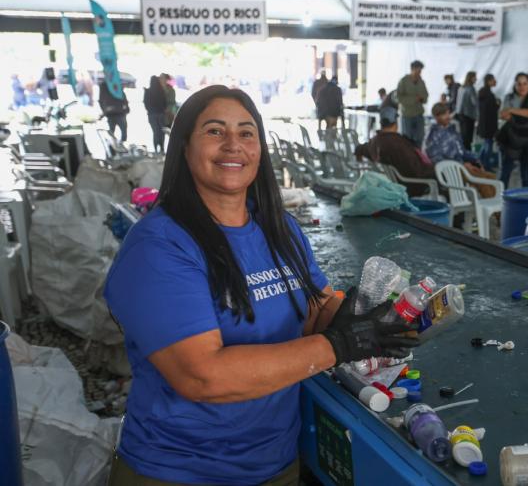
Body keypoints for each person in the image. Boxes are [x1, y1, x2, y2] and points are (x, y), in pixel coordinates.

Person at [104, 85, 415, 485]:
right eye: (215, 131)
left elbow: (314, 306)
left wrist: (360, 317)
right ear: (183, 146)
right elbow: (202, 377)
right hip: (181, 471)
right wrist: (340, 344)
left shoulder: (277, 226)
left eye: (247, 133)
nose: (234, 145)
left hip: (275, 463)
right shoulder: (160, 246)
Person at [355, 106, 436, 197]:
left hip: (393, 184)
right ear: (396, 123)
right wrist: (435, 169)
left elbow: (359, 148)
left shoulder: (375, 141)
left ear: (381, 123)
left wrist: (359, 157)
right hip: (412, 186)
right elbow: (416, 171)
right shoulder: (399, 144)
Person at [496, 73, 528, 188]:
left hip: (526, 140)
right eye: (519, 84)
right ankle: (501, 199)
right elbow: (503, 115)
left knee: (526, 174)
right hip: (510, 139)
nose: (522, 87)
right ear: (515, 85)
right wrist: (523, 113)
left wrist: (511, 110)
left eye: (525, 83)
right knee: (505, 172)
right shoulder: (509, 97)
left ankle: (526, 200)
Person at [396, 60, 429, 145]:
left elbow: (425, 96)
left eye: (420, 70)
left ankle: (418, 157)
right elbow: (398, 97)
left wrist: (422, 99)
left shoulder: (422, 82)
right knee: (407, 140)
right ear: (412, 69)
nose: (419, 72)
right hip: (407, 115)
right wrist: (414, 99)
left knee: (420, 138)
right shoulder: (404, 81)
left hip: (419, 114)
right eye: (418, 70)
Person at [477, 74, 499, 172]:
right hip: (489, 124)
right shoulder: (488, 94)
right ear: (489, 81)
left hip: (484, 123)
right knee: (488, 145)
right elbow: (491, 110)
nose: (495, 82)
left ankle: (479, 162)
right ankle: (486, 166)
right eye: (493, 80)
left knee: (486, 144)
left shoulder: (483, 93)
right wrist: (497, 104)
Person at [142, 75, 167, 154]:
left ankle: (156, 148)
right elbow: (165, 103)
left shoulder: (147, 91)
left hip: (152, 115)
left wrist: (150, 110)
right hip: (160, 114)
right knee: (161, 132)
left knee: (155, 132)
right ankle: (162, 148)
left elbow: (145, 103)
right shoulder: (161, 91)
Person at [455, 71, 479, 151]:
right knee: (468, 139)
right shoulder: (471, 88)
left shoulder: (461, 88)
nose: (476, 79)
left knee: (463, 137)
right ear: (471, 78)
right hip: (468, 115)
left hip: (460, 114)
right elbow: (474, 102)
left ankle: (463, 154)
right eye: (475, 77)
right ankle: (468, 157)